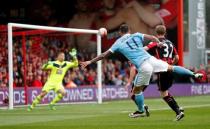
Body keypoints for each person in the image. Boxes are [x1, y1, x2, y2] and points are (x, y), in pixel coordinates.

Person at [80, 24, 203, 119]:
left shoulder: (117, 43)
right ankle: (194, 74)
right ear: (129, 31)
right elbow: (152, 37)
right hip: (151, 59)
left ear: (120, 33)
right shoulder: (137, 35)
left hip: (144, 66)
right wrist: (159, 43)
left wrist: (89, 62)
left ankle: (141, 110)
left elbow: (103, 55)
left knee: (136, 91)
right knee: (172, 68)